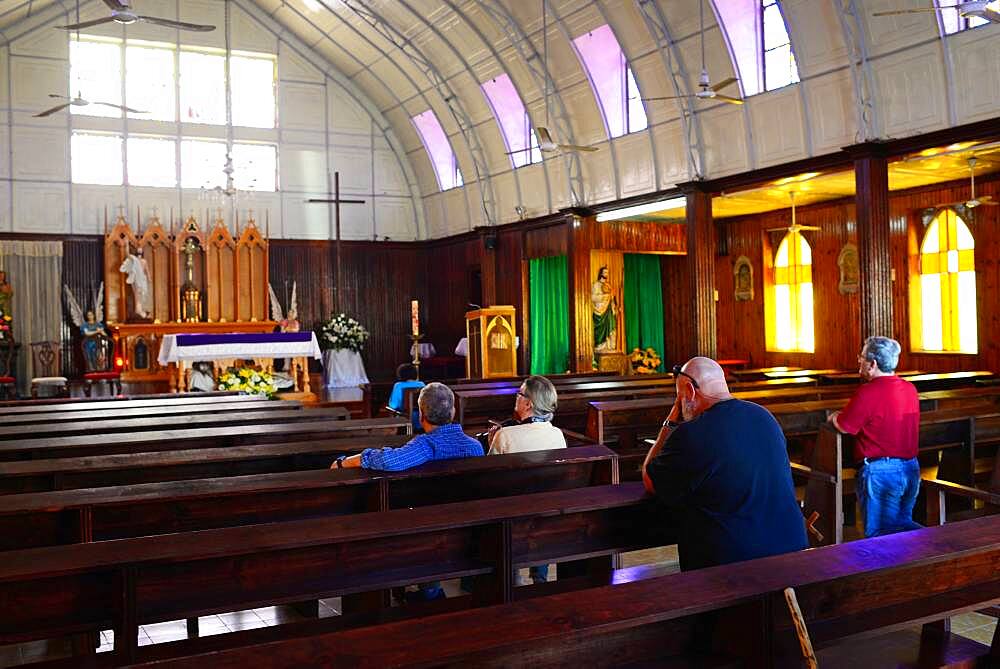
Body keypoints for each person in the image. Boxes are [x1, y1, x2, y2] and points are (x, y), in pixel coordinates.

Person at [642, 357, 808, 571]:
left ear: (690, 391)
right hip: (792, 548)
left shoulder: (691, 434)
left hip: (734, 565)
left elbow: (650, 480)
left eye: (680, 397)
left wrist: (670, 422)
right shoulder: (764, 416)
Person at [333, 382, 482, 601]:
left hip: (429, 524)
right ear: (453, 411)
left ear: (421, 414)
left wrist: (346, 462)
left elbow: (389, 461)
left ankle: (430, 591)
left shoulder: (426, 445)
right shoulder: (474, 447)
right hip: (468, 523)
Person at [828, 336, 921, 538]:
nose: (859, 361)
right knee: (902, 528)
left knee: (880, 536)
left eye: (861, 357)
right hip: (910, 468)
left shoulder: (868, 392)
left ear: (873, 364)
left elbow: (845, 426)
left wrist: (834, 417)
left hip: (882, 472)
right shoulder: (909, 388)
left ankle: (941, 542)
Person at [486, 375, 566, 586]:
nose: (516, 397)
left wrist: (491, 442)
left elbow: (489, 477)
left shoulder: (505, 435)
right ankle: (539, 577)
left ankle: (512, 576)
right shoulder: (558, 435)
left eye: (519, 394)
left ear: (529, 403)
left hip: (512, 515)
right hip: (546, 512)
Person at [388, 363, 425, 432]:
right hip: (421, 418)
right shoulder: (421, 384)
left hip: (404, 418)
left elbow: (393, 405)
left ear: (400, 374)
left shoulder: (398, 385)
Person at [592, 266, 617, 351]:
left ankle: (610, 346)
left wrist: (615, 307)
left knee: (611, 327)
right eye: (605, 272)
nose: (606, 274)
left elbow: (612, 298)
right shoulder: (596, 285)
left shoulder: (608, 285)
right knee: (600, 330)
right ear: (601, 273)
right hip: (600, 312)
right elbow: (593, 298)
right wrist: (604, 297)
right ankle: (600, 346)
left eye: (607, 272)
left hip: (609, 312)